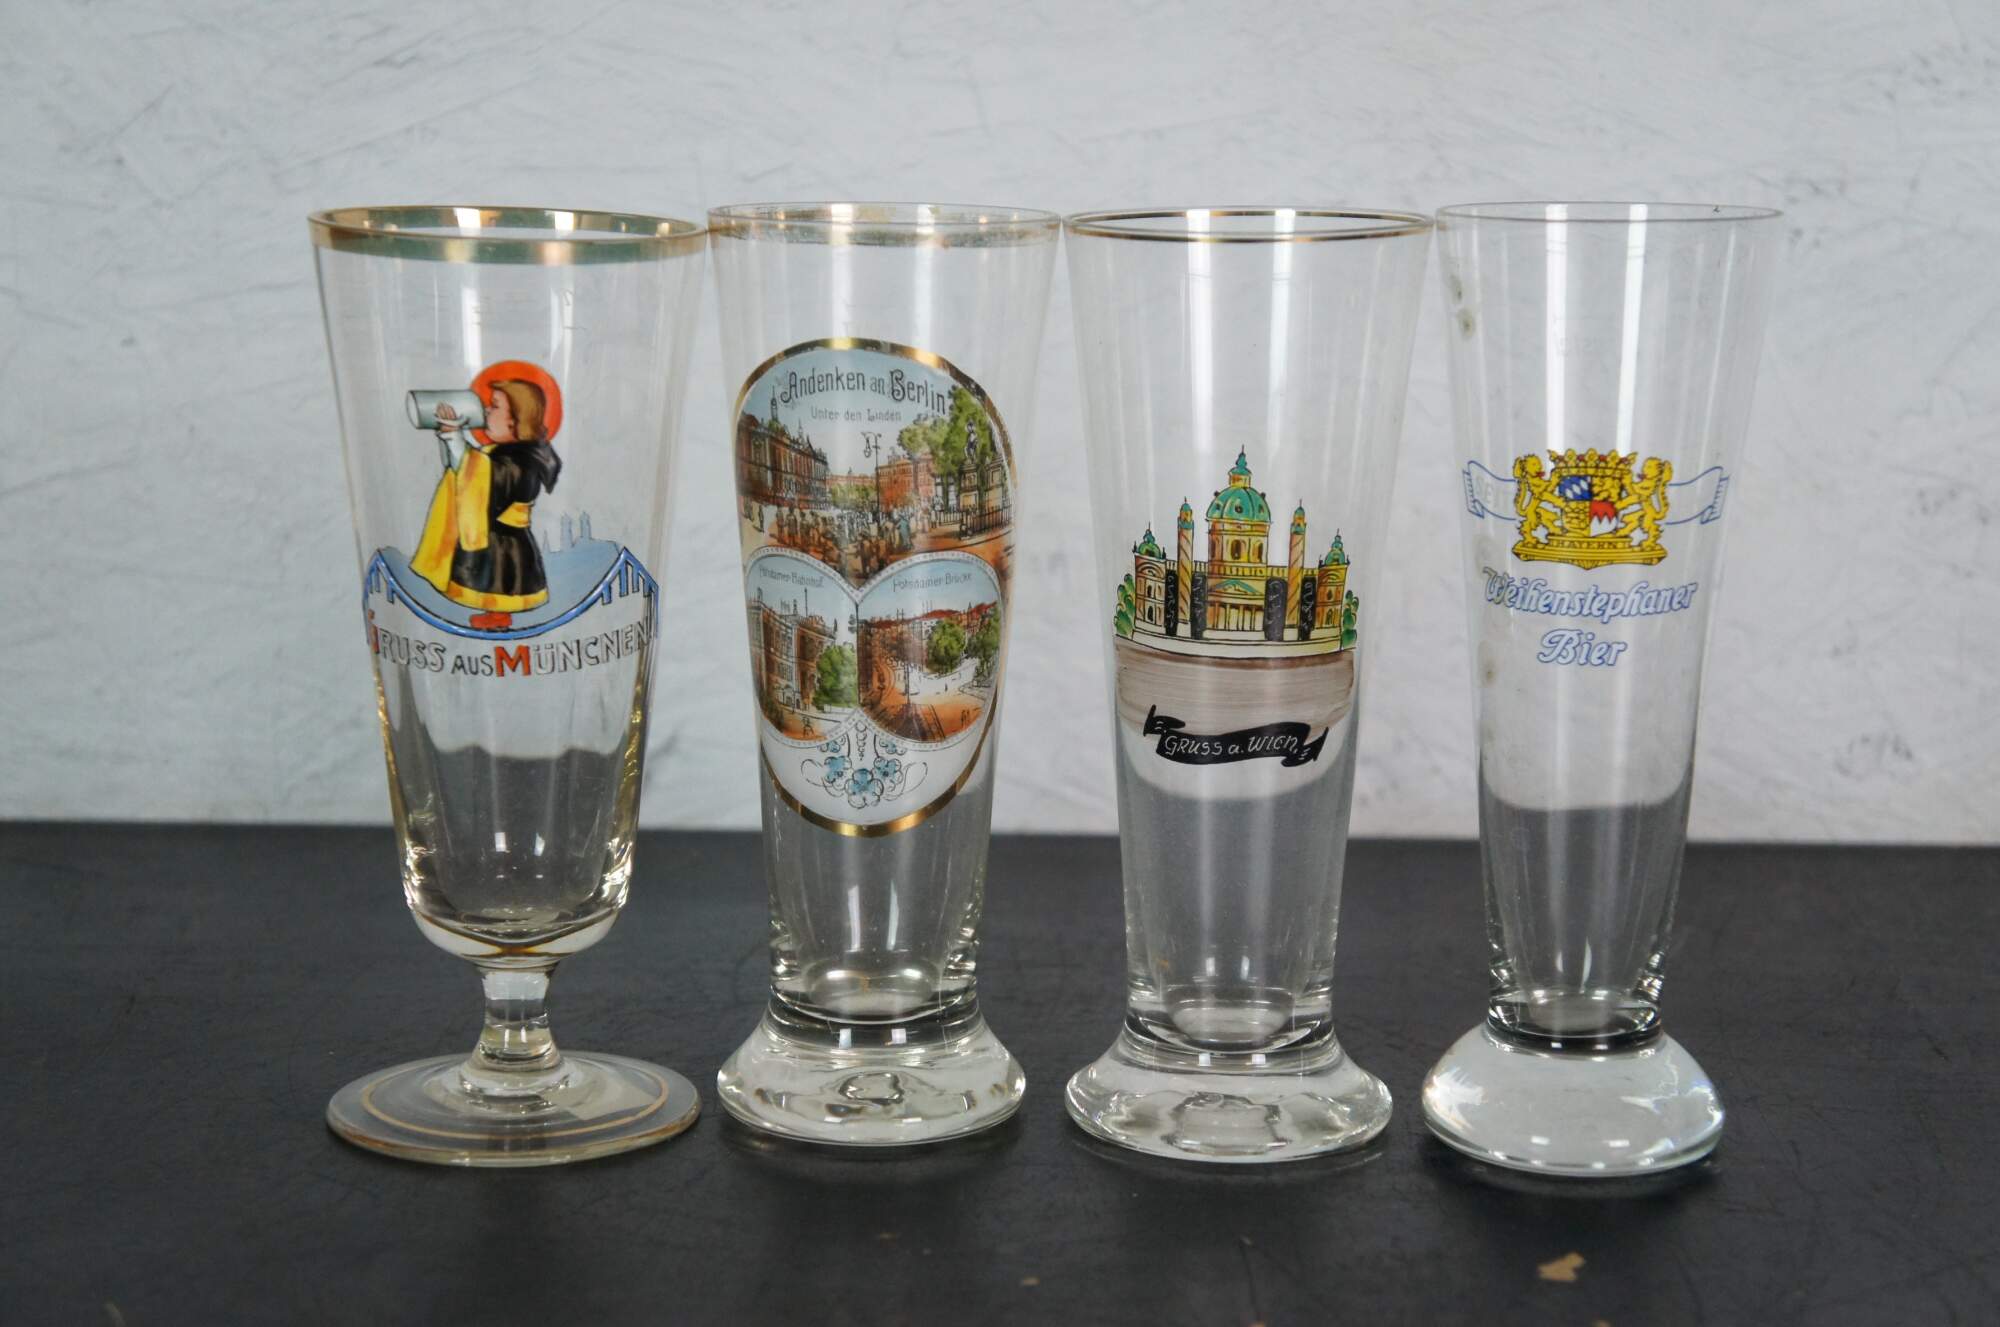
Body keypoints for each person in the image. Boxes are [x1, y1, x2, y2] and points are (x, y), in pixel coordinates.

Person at [409, 380, 562, 631]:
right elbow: (463, 471)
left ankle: (499, 619)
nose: (486, 411)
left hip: (505, 540)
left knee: (501, 578)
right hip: (496, 534)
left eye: (495, 406)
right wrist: (450, 436)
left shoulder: (525, 460)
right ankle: (495, 616)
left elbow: (481, 474)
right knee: (492, 578)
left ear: (515, 420)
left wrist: (454, 436)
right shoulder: (497, 453)